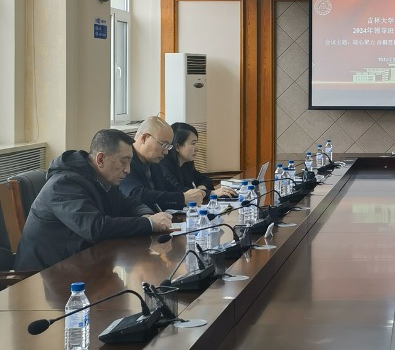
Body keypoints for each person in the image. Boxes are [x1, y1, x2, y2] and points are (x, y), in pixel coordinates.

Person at [14, 129, 172, 271]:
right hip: (44, 275)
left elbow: (128, 204)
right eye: (123, 162)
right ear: (101, 159)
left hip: (80, 263)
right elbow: (95, 228)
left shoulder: (102, 178)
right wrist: (149, 224)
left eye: (130, 162)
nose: (128, 170)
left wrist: (147, 215)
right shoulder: (64, 184)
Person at [120, 116, 205, 210]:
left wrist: (198, 194)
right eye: (163, 145)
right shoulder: (125, 161)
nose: (166, 152)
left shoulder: (153, 162)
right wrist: (182, 198)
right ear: (144, 138)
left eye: (168, 147)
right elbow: (137, 195)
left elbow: (170, 189)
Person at [159, 122, 237, 199]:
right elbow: (178, 191)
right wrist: (211, 193)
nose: (197, 149)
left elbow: (206, 180)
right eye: (193, 143)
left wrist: (201, 190)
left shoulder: (186, 164)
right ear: (177, 147)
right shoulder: (163, 165)